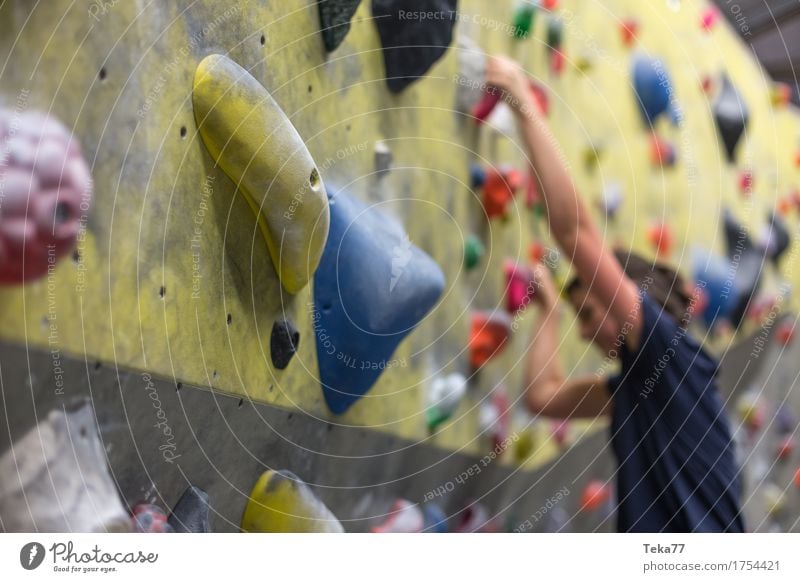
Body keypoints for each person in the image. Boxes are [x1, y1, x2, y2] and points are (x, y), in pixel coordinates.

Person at [485, 56, 745, 533]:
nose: (584, 334)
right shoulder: (642, 387)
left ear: (627, 295)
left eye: (586, 314)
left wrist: (524, 103)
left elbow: (575, 232)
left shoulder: (671, 356)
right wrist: (549, 316)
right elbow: (542, 398)